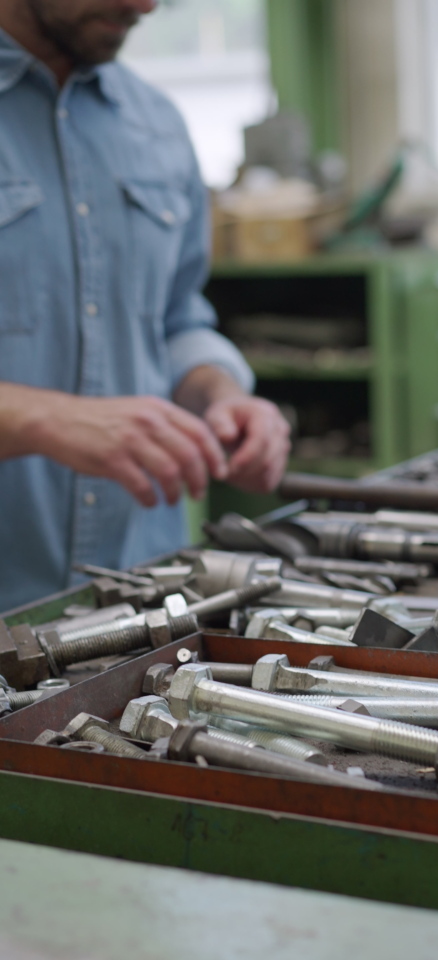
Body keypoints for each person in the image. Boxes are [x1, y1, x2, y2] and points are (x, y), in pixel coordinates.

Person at [0, 0, 291, 612]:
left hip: (141, 604)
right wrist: (38, 419)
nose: (145, 5)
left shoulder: (156, 125)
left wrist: (221, 396)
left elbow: (174, 320)